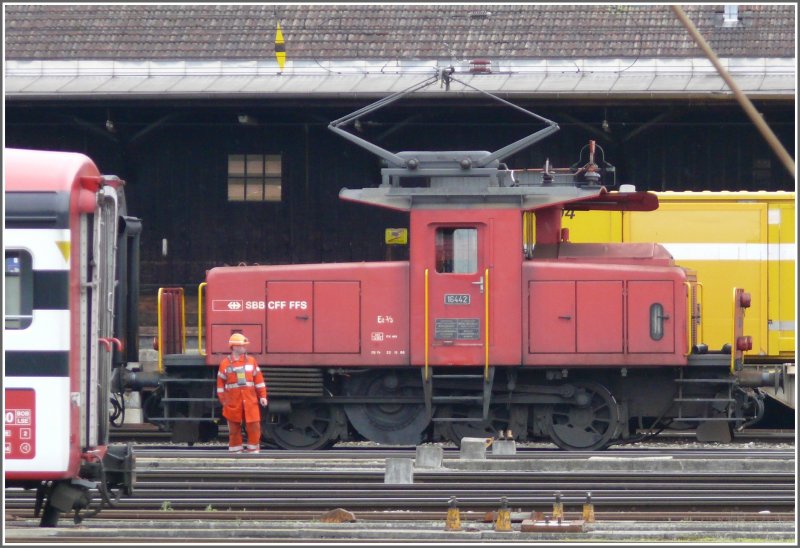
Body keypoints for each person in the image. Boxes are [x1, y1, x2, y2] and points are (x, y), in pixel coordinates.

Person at [216, 333, 268, 453]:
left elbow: (259, 381)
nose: (245, 347)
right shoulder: (225, 364)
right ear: (234, 347)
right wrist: (224, 402)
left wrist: (263, 396)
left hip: (250, 401)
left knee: (254, 426)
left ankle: (253, 450)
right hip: (233, 403)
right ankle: (236, 452)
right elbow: (220, 386)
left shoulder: (251, 361)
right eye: (242, 345)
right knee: (234, 429)